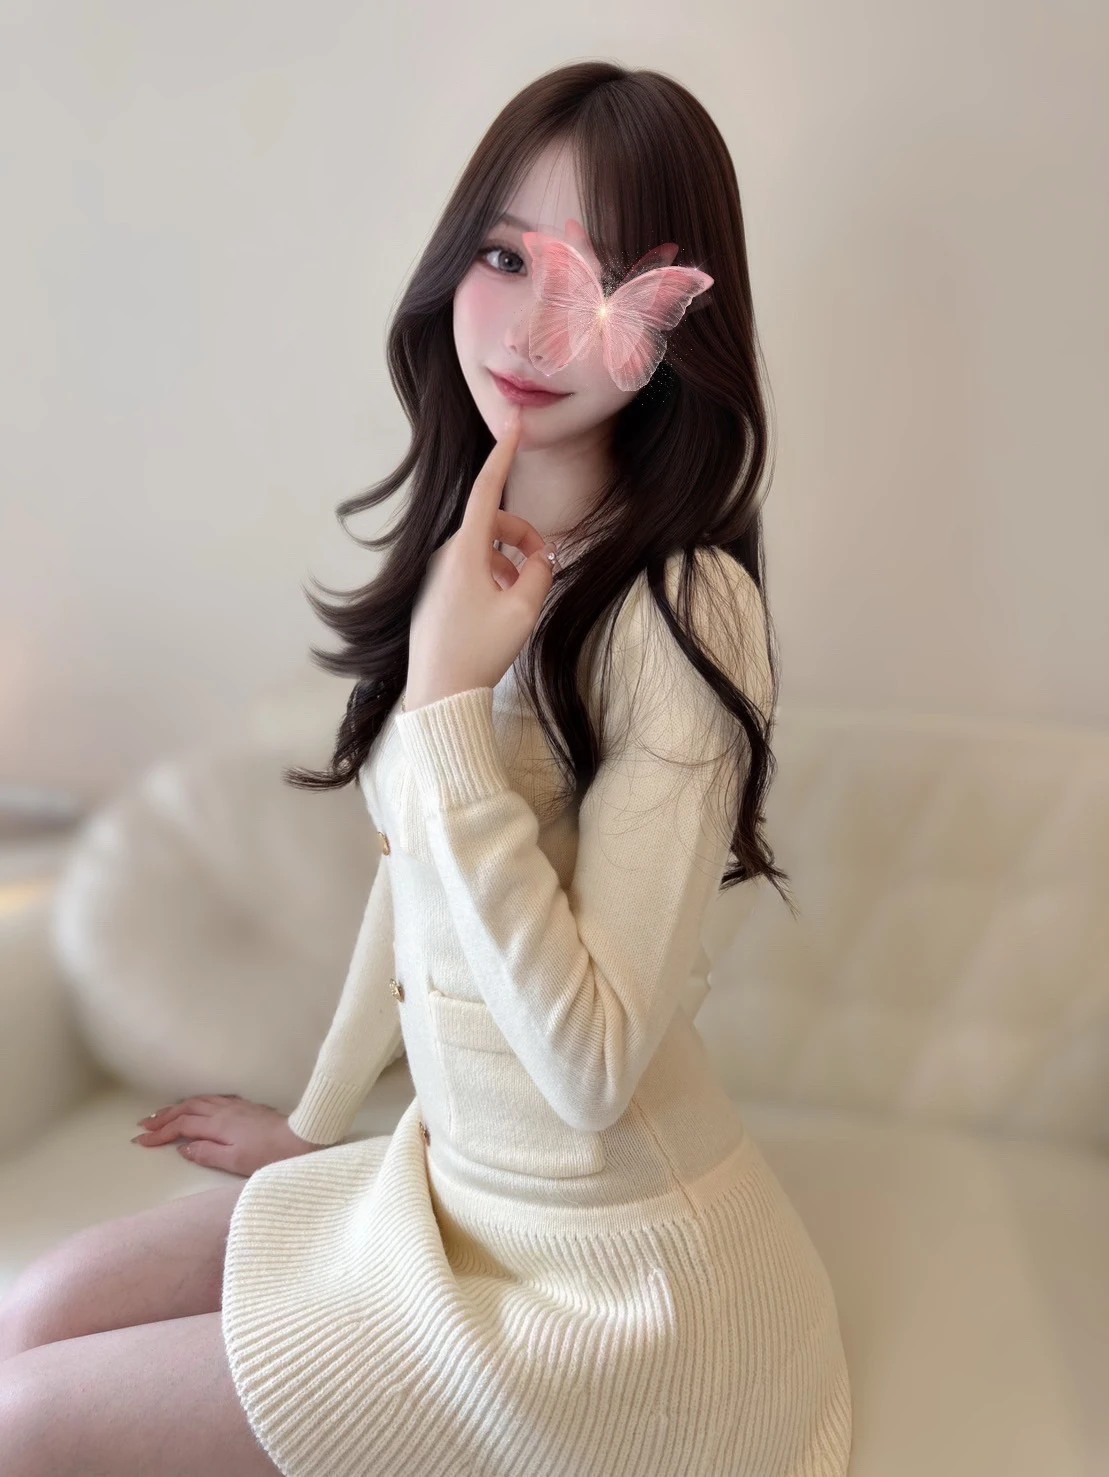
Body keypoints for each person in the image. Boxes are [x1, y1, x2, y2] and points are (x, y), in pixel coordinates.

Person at [0, 61, 853, 1477]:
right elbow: (418, 884)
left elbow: (592, 1067)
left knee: (26, 1423)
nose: (534, 322)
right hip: (455, 1190)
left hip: (608, 1293)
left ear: (679, 322)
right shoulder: (475, 553)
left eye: (601, 279)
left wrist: (451, 701)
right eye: (507, 256)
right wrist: (312, 1126)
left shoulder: (685, 611)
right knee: (35, 1310)